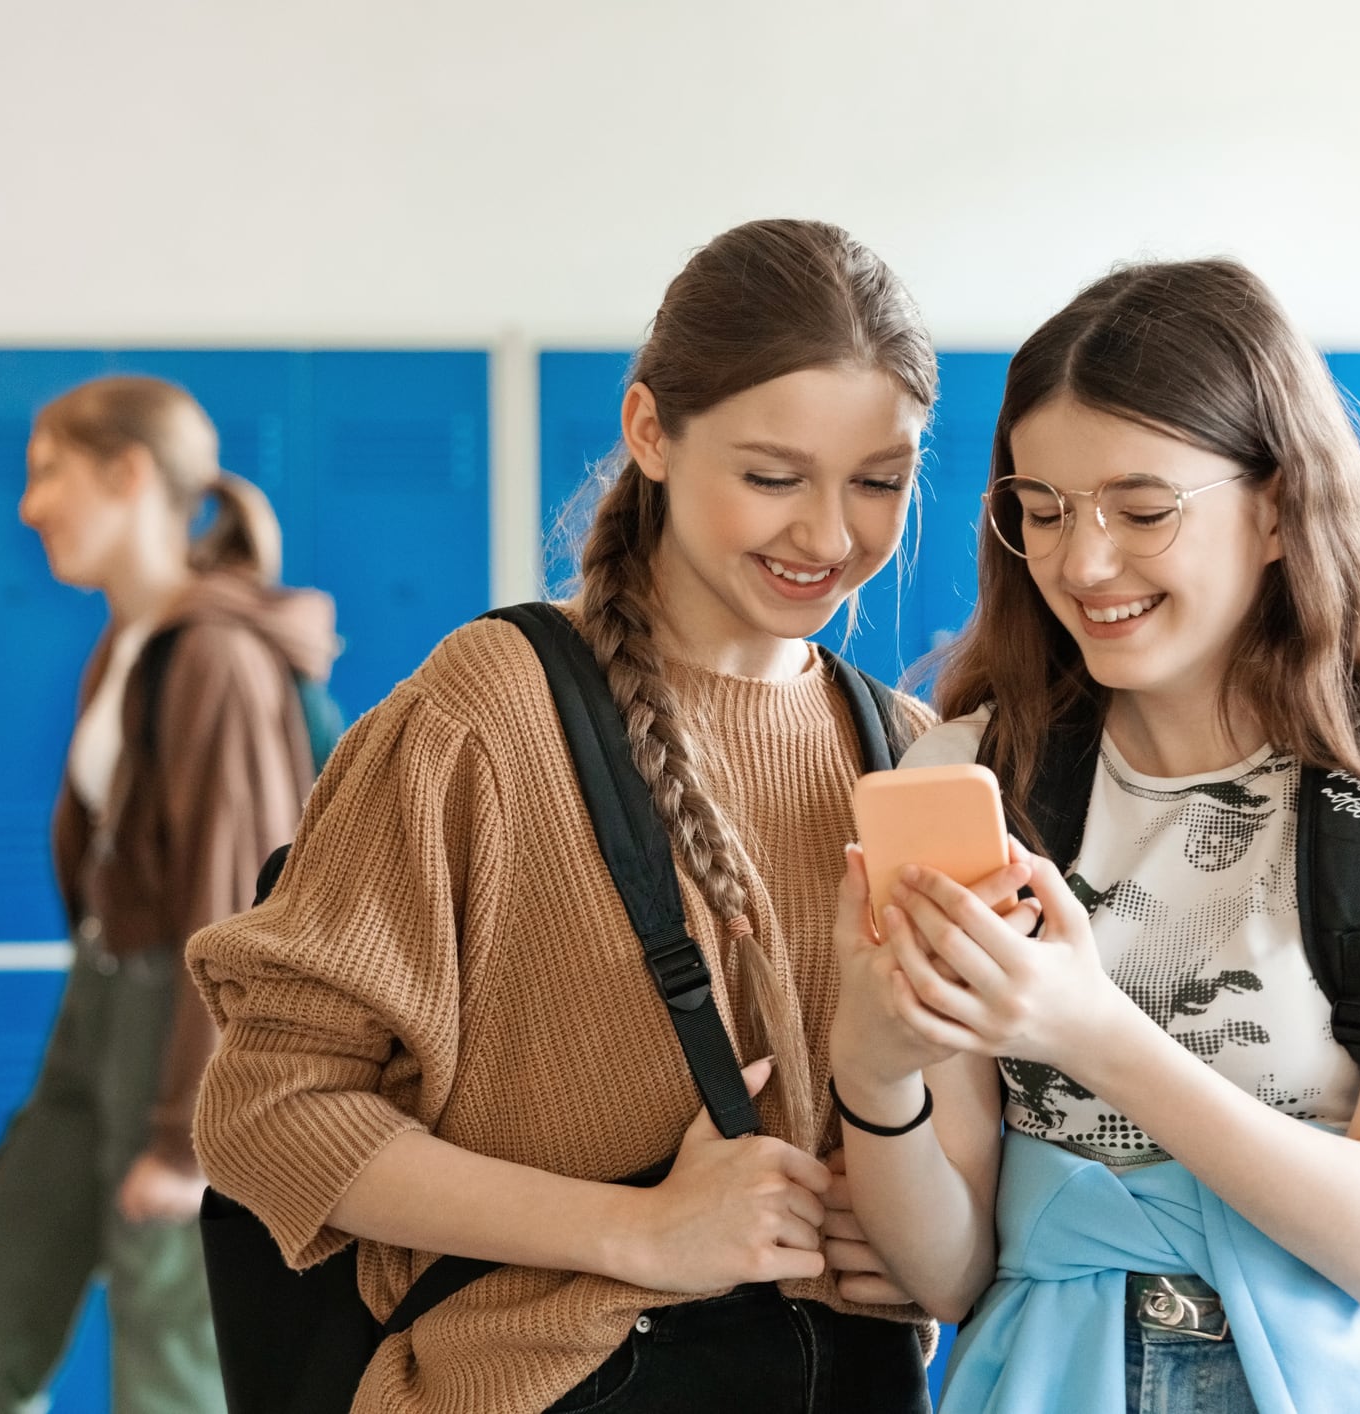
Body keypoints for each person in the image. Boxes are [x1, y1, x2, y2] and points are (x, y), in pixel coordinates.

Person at [188, 218, 945, 1414]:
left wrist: (901, 1230)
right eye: (771, 475)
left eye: (879, 482)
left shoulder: (906, 752)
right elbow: (273, 1111)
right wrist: (641, 1232)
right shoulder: (484, 718)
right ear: (650, 431)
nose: (829, 535)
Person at [829, 259, 1360, 1413]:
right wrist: (871, 1067)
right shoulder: (975, 775)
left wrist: (1088, 1029)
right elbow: (953, 1272)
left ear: (1276, 504)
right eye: (1043, 508)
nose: (1083, 562)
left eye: (1141, 506)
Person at [0, 376, 339, 1413]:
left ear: (129, 475)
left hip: (186, 1028)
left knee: (169, 1359)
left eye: (48, 473)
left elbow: (233, 917)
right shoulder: (131, 642)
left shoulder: (217, 657)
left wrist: (191, 1137)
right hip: (99, 1007)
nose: (28, 505)